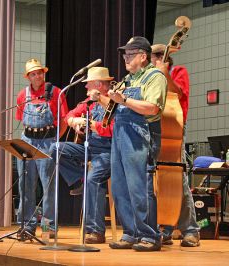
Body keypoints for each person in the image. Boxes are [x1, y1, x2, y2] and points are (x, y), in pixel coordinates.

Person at [93, 37, 167, 251]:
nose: (125, 58)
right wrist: (101, 98)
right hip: (121, 134)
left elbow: (152, 108)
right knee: (120, 187)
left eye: (130, 54)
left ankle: (150, 236)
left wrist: (123, 100)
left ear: (143, 56)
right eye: (125, 54)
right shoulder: (127, 79)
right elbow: (116, 107)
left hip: (141, 134)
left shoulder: (155, 77)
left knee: (139, 187)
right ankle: (130, 232)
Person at [50, 67, 114, 244]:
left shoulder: (114, 101)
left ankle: (96, 231)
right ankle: (79, 179)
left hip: (109, 151)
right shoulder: (90, 101)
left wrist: (94, 125)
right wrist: (75, 122)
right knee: (57, 148)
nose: (85, 88)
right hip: (91, 148)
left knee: (94, 179)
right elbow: (69, 115)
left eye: (88, 85)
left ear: (99, 85)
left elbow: (115, 128)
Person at [151, 43, 200, 247]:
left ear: (163, 57)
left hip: (174, 129)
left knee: (177, 179)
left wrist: (164, 74)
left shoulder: (178, 71)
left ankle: (191, 230)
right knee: (158, 181)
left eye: (153, 57)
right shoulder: (151, 77)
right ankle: (166, 228)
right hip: (154, 129)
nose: (149, 61)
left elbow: (177, 93)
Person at [15, 59, 68, 237]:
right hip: (28, 141)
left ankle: (48, 228)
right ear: (28, 77)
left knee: (49, 186)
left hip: (47, 142)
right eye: (33, 74)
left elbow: (64, 120)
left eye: (40, 72)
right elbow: (21, 119)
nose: (38, 76)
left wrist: (54, 141)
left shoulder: (56, 92)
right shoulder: (23, 95)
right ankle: (26, 227)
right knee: (25, 186)